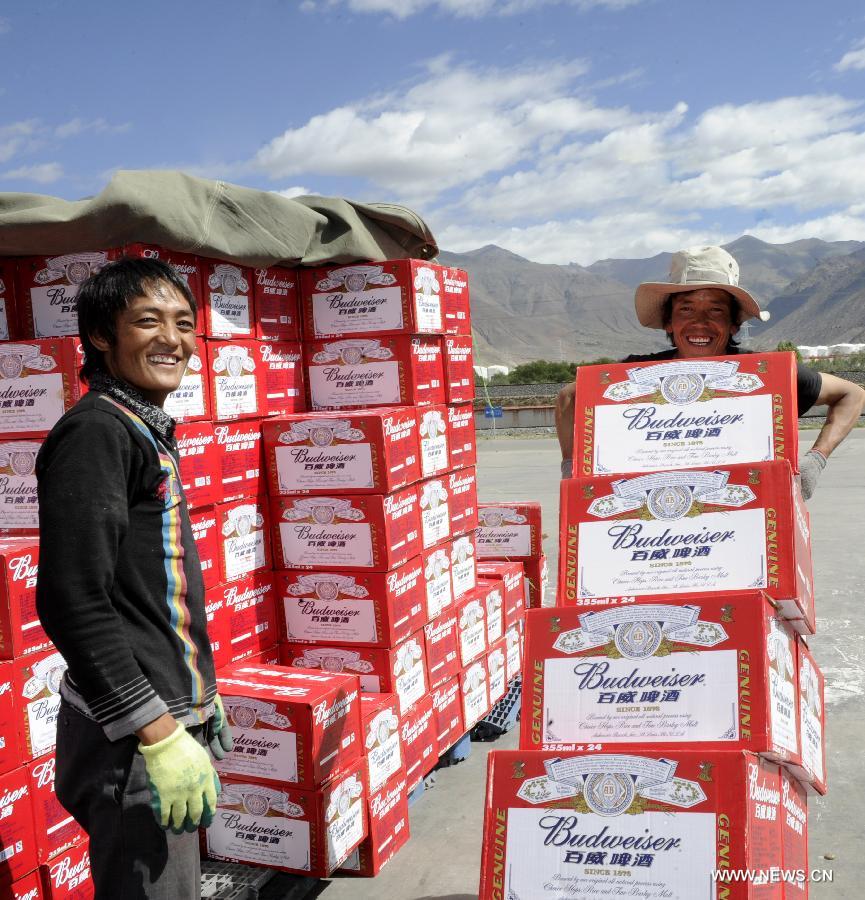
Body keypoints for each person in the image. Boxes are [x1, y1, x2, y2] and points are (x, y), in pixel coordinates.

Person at [36, 257, 233, 898]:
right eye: (147, 322)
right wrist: (157, 730)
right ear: (101, 335)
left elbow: (148, 590)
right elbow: (72, 600)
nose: (172, 340)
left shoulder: (140, 427)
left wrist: (199, 689)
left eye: (184, 324)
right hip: (135, 742)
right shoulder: (97, 433)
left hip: (167, 719)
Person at [556, 245, 865, 498]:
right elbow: (569, 398)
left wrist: (816, 459)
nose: (699, 322)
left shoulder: (767, 376)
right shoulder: (635, 373)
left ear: (734, 324)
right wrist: (572, 470)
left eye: (715, 310)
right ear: (669, 322)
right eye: (686, 309)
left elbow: (852, 394)